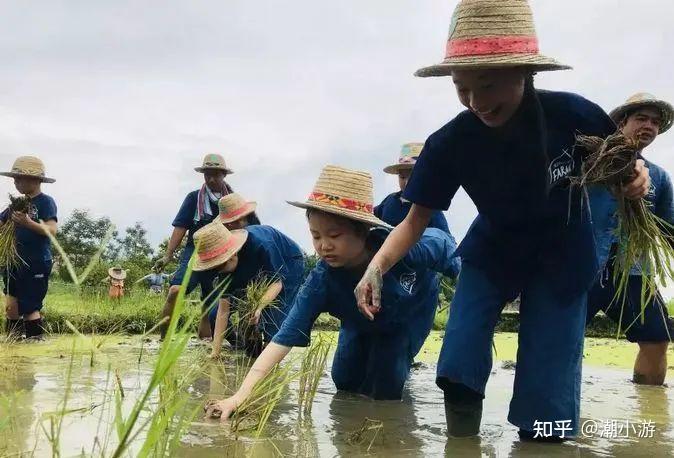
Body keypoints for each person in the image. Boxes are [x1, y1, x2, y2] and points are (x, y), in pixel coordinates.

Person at [353, 0, 651, 441]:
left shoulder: (574, 115)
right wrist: (374, 268)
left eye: (489, 85)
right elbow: (415, 221)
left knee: (547, 394)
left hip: (563, 253)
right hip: (492, 250)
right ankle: (462, 446)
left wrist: (636, 179)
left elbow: (625, 169)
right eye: (461, 88)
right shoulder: (450, 142)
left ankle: (542, 443)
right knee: (458, 357)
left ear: (524, 73)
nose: (476, 102)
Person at [204, 165, 460, 421]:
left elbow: (445, 246)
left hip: (408, 316)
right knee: (344, 380)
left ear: (363, 231)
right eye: (315, 236)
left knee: (386, 387)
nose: (324, 246)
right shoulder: (321, 280)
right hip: (357, 320)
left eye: (334, 235)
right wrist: (238, 397)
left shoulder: (403, 248)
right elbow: (282, 340)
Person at [587, 93, 674, 386]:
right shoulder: (590, 163)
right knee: (562, 338)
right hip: (584, 266)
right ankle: (560, 414)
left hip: (633, 271)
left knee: (657, 339)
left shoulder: (659, 178)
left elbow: (668, 229)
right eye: (642, 118)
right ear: (622, 121)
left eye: (655, 122)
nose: (649, 126)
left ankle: (646, 416)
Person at [191, 219, 305, 359]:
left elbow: (276, 284)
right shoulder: (222, 270)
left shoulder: (262, 245)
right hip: (252, 269)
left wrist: (259, 307)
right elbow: (223, 311)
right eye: (214, 267)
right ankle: (244, 348)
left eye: (220, 265)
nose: (219, 272)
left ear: (233, 254)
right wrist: (215, 353)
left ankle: (267, 362)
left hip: (288, 261)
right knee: (215, 315)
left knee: (273, 317)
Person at [154, 153, 235, 338]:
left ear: (224, 175)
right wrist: (168, 255)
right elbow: (180, 227)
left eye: (216, 174)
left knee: (210, 304)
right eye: (208, 174)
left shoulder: (231, 200)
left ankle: (205, 347)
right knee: (175, 290)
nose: (211, 178)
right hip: (195, 252)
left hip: (221, 254)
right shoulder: (193, 198)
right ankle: (163, 341)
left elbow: (240, 229)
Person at [0, 156, 58, 339]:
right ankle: (13, 346)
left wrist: (28, 222)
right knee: (11, 306)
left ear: (34, 179)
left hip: (35, 262)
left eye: (19, 178)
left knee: (30, 307)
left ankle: (34, 344)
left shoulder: (45, 202)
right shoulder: (17, 204)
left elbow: (51, 230)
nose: (15, 182)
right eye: (14, 179)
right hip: (13, 261)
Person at [375, 142, 450, 232]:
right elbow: (369, 217)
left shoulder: (429, 207)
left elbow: (443, 240)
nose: (406, 183)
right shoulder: (390, 200)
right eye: (402, 177)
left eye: (412, 177)